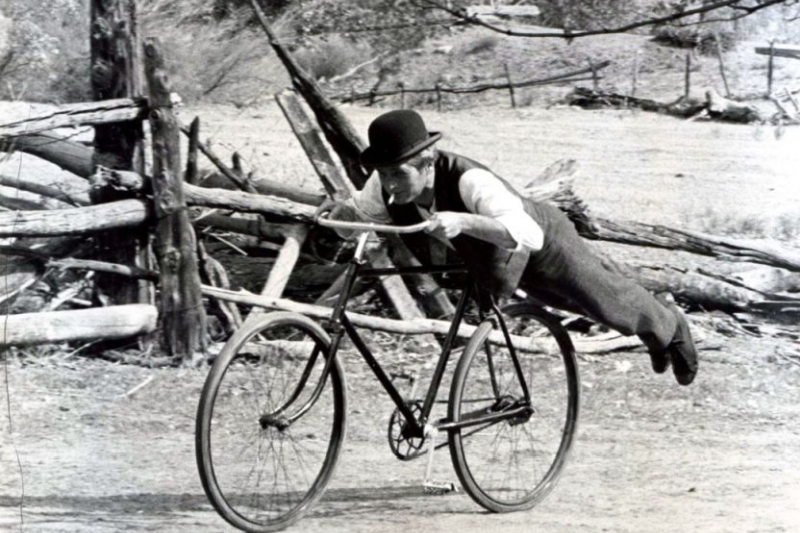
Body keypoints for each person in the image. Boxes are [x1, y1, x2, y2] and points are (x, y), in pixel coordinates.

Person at [321, 109, 698, 386]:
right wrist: (332, 215)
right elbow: (356, 218)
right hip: (492, 258)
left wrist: (464, 220)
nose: (389, 184)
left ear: (428, 162)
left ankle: (668, 325)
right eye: (384, 174)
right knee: (569, 305)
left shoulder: (470, 180)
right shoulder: (384, 185)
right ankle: (654, 327)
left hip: (543, 240)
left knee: (601, 300)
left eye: (398, 173)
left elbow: (528, 235)